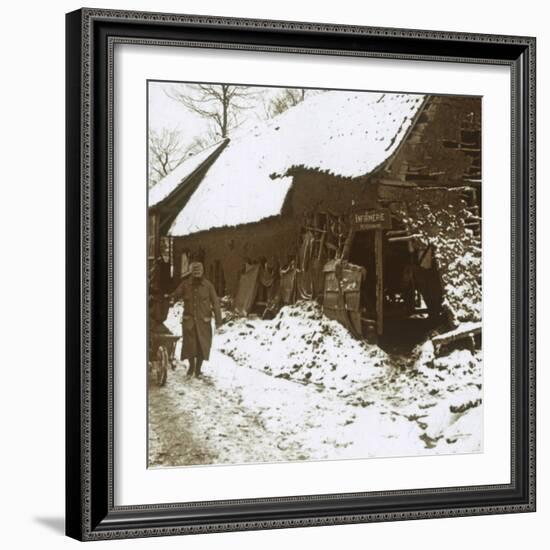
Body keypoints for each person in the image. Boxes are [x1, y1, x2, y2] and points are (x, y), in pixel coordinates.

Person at [167, 261, 222, 378]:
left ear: (202, 273)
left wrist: (218, 321)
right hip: (189, 322)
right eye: (194, 275)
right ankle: (191, 367)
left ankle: (198, 370)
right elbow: (175, 295)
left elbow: (216, 303)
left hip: (204, 322)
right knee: (190, 346)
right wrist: (169, 298)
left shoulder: (208, 286)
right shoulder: (185, 285)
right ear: (191, 274)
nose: (197, 277)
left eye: (199, 275)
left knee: (203, 346)